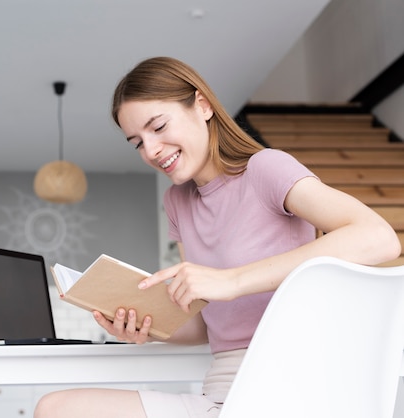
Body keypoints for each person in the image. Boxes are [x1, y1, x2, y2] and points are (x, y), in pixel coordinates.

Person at [33, 56, 401, 418]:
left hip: (289, 386)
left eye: (158, 127)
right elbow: (206, 324)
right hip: (222, 393)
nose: (151, 150)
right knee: (55, 409)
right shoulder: (177, 201)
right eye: (137, 142)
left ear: (202, 105)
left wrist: (232, 280)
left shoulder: (266, 169)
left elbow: (378, 238)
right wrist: (145, 326)